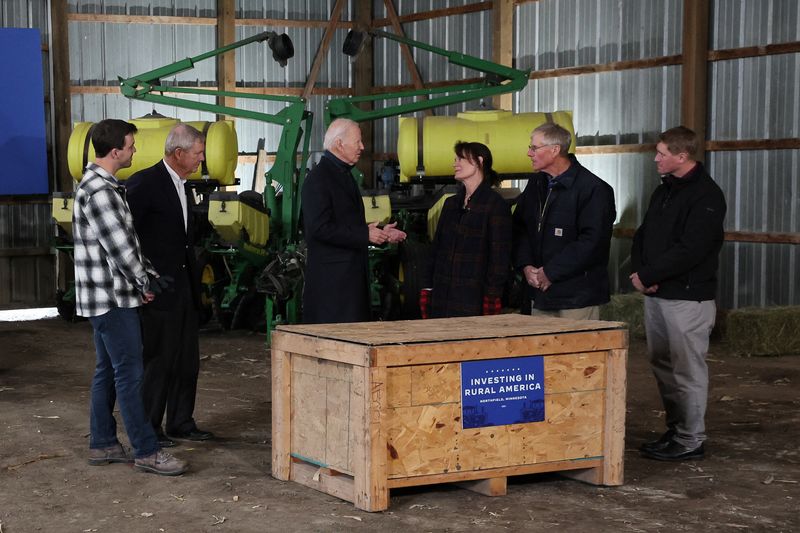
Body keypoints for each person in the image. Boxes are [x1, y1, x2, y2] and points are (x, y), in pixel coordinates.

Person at [72, 118, 188, 476]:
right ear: (115, 150)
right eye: (131, 144)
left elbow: (127, 245)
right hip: (112, 300)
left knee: (108, 370)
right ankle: (147, 450)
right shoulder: (102, 192)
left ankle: (104, 442)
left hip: (105, 297)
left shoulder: (100, 185)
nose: (135, 149)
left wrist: (146, 274)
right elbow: (121, 250)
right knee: (130, 374)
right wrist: (144, 283)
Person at [631, 126, 726, 461]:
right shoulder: (666, 190)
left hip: (687, 299)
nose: (656, 159)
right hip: (659, 294)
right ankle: (676, 430)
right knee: (662, 364)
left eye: (662, 154)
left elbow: (692, 249)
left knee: (687, 370)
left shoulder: (706, 196)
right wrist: (642, 272)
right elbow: (644, 234)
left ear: (682, 156)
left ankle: (691, 439)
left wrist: (649, 274)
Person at [126, 123, 213, 446]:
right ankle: (150, 426)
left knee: (186, 359)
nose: (202, 159)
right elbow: (126, 234)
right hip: (158, 288)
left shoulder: (183, 185)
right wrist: (143, 277)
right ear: (178, 153)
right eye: (198, 153)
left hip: (184, 286)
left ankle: (181, 421)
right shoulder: (145, 183)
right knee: (159, 360)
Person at [301, 118, 406, 324]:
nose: (362, 147)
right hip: (332, 288)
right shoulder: (319, 179)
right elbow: (319, 228)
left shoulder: (342, 174)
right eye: (357, 141)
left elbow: (344, 222)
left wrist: (381, 232)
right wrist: (365, 234)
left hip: (346, 281)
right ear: (339, 144)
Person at [512, 123, 616, 319]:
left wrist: (551, 272)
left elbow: (592, 242)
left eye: (534, 148)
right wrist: (526, 265)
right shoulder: (536, 184)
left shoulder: (594, 190)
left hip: (577, 298)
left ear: (555, 150)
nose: (529, 153)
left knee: (576, 348)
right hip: (540, 293)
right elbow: (520, 228)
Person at [419, 142, 511, 318]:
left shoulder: (495, 205)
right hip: (442, 297)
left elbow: (499, 259)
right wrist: (427, 287)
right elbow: (436, 249)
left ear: (479, 161)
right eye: (455, 159)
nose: (455, 163)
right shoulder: (451, 203)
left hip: (473, 299)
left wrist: (491, 297)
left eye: (461, 158)